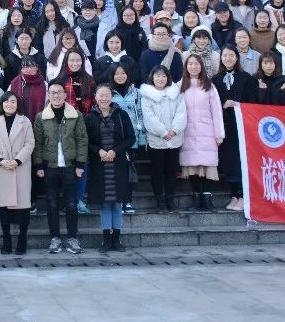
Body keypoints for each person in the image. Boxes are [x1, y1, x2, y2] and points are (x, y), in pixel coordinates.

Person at [32, 82, 87, 255]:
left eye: (59, 93)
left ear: (65, 95)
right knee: (52, 203)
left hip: (70, 166)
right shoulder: (41, 117)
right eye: (53, 93)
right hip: (50, 167)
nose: (56, 96)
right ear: (48, 95)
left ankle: (72, 238)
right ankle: (54, 238)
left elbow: (82, 140)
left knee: (71, 204)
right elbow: (38, 143)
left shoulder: (75, 115)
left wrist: (80, 164)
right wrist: (39, 165)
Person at [86, 85, 136, 253]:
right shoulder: (90, 118)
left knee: (117, 203)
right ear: (95, 97)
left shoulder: (121, 115)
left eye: (107, 95)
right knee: (105, 204)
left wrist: (115, 151)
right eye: (101, 95)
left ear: (111, 97)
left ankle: (117, 240)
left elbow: (131, 138)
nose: (104, 98)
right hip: (100, 166)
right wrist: (98, 151)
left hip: (118, 164)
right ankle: (106, 239)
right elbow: (87, 141)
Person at [212, 46, 260, 212]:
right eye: (225, 55)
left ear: (237, 58)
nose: (228, 58)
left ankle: (243, 195)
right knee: (228, 160)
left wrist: (237, 104)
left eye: (231, 55)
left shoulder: (246, 78)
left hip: (242, 124)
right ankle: (234, 195)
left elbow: (254, 103)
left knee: (241, 160)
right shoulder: (215, 80)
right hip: (224, 125)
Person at [0, 92, 34, 255]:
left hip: (20, 167)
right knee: (4, 208)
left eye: (13, 101)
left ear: (17, 104)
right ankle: (6, 241)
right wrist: (0, 160)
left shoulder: (25, 121)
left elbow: (30, 143)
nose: (9, 104)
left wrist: (18, 160)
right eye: (6, 102)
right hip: (2, 168)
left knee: (23, 208)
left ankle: (22, 239)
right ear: (2, 104)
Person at [179, 54, 225, 211]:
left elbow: (217, 111)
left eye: (196, 64)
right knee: (192, 166)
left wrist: (219, 134)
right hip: (187, 132)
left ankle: (207, 198)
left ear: (202, 66)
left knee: (206, 166)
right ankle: (196, 198)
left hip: (207, 131)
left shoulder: (209, 86)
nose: (193, 67)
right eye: (190, 64)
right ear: (186, 67)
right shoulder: (180, 85)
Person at [139, 66, 185, 212]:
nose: (160, 79)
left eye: (163, 76)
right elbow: (149, 116)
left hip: (174, 138)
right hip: (156, 139)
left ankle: (170, 199)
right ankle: (160, 200)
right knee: (157, 171)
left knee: (171, 170)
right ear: (152, 77)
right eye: (157, 76)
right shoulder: (146, 95)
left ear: (168, 77)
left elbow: (181, 113)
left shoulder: (176, 93)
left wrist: (173, 130)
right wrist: (163, 132)